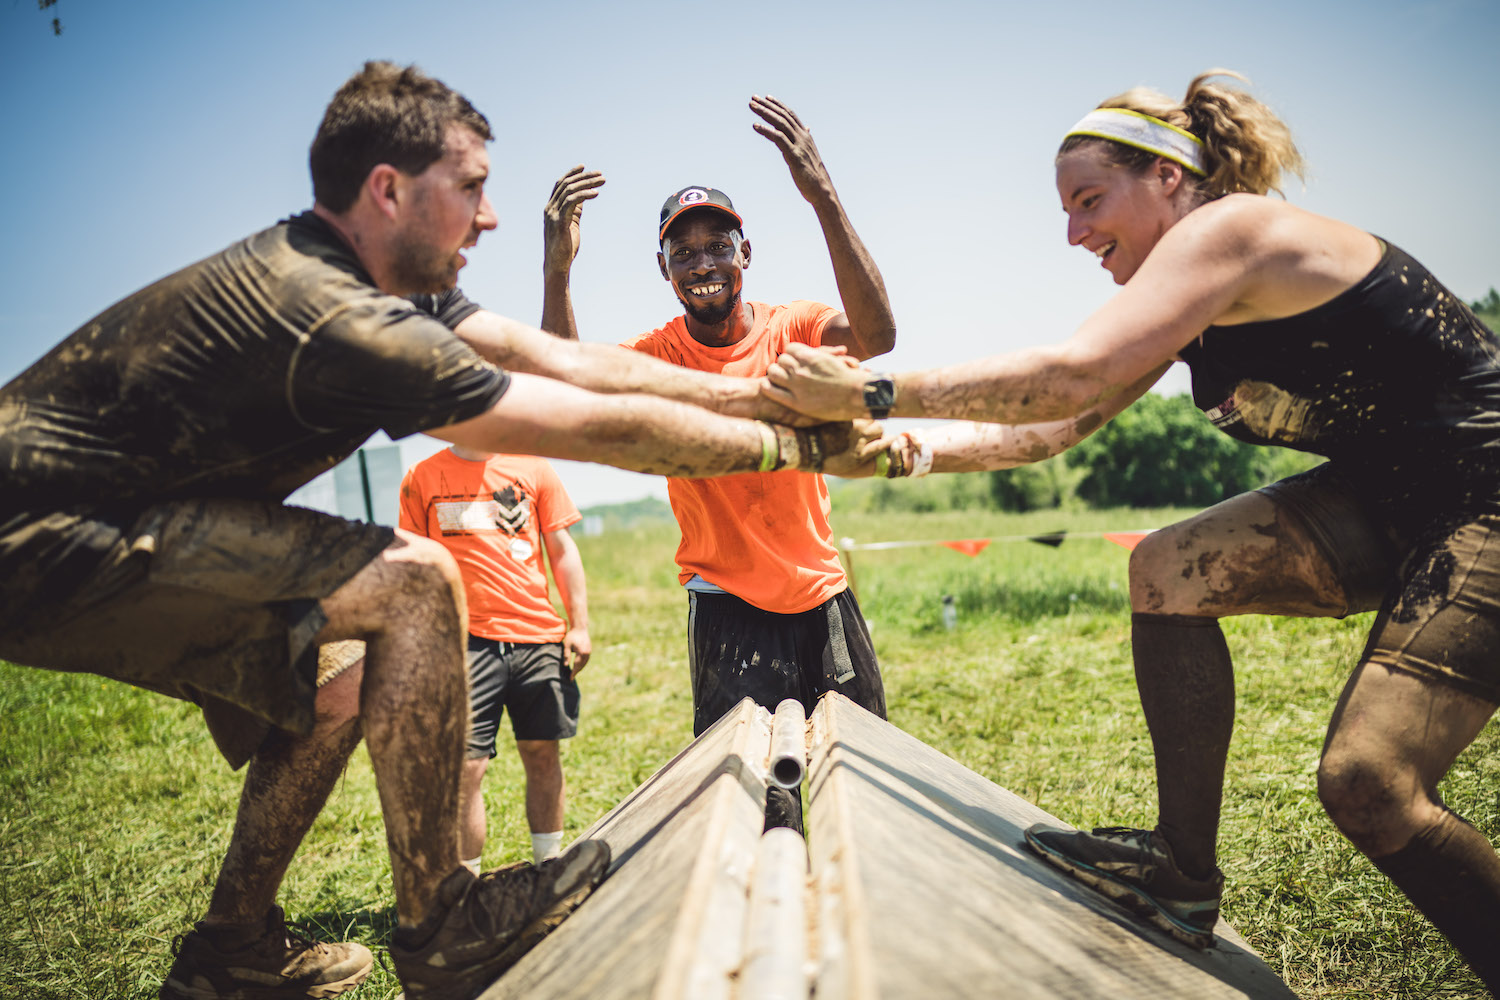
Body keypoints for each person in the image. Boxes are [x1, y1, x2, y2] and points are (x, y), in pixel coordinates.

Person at [0, 61, 884, 1000]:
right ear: (389, 191)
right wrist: (778, 439)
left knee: (342, 688)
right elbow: (569, 417)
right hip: (42, 528)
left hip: (137, 521)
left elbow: (549, 355)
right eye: (470, 189)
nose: (490, 216)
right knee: (415, 581)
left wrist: (770, 397)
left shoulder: (395, 294)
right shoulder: (333, 312)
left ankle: (230, 946)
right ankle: (440, 920)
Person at [763, 70, 1500, 988]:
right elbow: (1056, 429)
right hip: (1393, 495)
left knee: (1370, 783)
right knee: (1169, 568)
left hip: (1486, 494)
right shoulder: (1187, 301)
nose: (1074, 233)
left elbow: (1071, 373)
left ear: (1168, 178)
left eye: (1089, 201)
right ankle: (1182, 878)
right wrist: (891, 452)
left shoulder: (1232, 230)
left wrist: (873, 389)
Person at [541, 96, 897, 830]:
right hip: (728, 606)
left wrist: (821, 194)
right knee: (752, 795)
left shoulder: (792, 327)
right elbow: (564, 380)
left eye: (716, 246)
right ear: (665, 268)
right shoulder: (659, 355)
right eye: (684, 251)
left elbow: (877, 335)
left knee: (859, 777)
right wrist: (558, 268)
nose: (702, 262)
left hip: (823, 594)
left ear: (745, 254)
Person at [400, 446, 590, 872]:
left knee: (543, 753)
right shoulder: (421, 476)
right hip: (462, 644)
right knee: (466, 768)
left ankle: (550, 869)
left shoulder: (534, 467)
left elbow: (562, 550)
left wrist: (578, 625)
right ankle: (465, 891)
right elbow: (414, 567)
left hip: (537, 638)